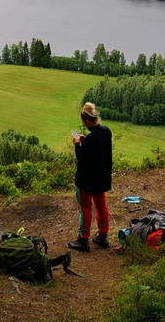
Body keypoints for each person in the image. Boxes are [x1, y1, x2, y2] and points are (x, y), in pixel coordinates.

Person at [68, 101, 113, 252]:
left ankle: (83, 239)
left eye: (84, 121)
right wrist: (86, 141)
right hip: (101, 179)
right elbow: (99, 149)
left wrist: (77, 144)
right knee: (101, 206)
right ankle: (103, 236)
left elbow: (81, 158)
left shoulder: (91, 140)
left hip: (86, 182)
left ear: (87, 120)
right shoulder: (106, 131)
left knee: (85, 208)